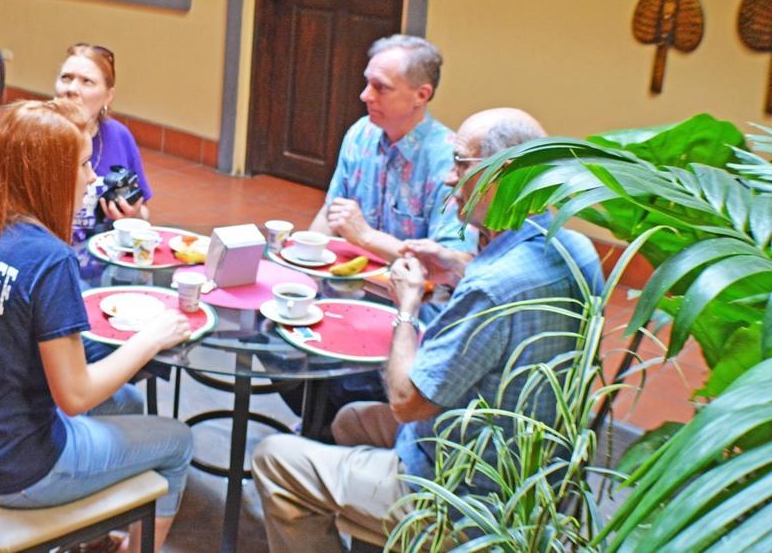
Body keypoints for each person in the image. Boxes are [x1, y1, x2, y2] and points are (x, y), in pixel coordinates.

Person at [253, 108, 604, 552]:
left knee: (273, 458)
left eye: (460, 163)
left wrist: (408, 306)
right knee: (348, 421)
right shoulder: (576, 248)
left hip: (463, 496)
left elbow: (406, 401)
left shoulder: (492, 287)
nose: (447, 178)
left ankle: (404, 527)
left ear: (504, 174)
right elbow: (509, 287)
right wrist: (457, 266)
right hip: (533, 472)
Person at [0, 99, 194, 551]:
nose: (93, 178)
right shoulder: (49, 259)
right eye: (81, 165)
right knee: (177, 442)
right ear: (48, 176)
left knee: (128, 402)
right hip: (18, 468)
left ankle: (88, 536)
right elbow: (74, 397)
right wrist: (149, 339)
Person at [310, 34, 474, 263]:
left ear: (421, 95)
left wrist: (367, 237)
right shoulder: (360, 133)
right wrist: (303, 261)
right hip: (351, 279)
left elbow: (455, 261)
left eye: (381, 87)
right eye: (367, 83)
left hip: (414, 293)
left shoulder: (449, 160)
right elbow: (331, 212)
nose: (365, 95)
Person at [55, 43, 151, 244]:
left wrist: (132, 216)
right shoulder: (33, 136)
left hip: (104, 259)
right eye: (66, 78)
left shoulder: (119, 136)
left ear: (108, 96)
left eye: (87, 81)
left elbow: (144, 212)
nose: (72, 89)